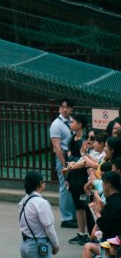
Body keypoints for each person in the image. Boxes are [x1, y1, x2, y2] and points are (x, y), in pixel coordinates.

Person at [71, 171, 121, 258]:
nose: (102, 186)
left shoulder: (111, 204)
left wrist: (97, 213)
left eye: (103, 183)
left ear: (108, 185)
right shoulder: (117, 200)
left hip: (110, 245)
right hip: (117, 243)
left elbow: (104, 226)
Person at [19, 170, 60, 258]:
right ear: (40, 184)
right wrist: (56, 245)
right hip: (38, 245)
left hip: (25, 245)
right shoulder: (41, 203)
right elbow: (49, 227)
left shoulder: (23, 201)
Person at [49, 97, 77, 227]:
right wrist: (64, 163)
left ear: (72, 109)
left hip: (72, 157)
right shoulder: (56, 124)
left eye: (67, 107)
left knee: (73, 186)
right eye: (62, 107)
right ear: (59, 108)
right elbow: (57, 147)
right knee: (65, 187)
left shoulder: (72, 122)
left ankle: (73, 215)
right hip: (63, 157)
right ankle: (66, 218)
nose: (65, 110)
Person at [64, 113, 90, 244]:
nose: (70, 124)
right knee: (78, 205)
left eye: (72, 122)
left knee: (85, 205)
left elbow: (84, 159)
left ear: (80, 124)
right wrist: (67, 176)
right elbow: (68, 158)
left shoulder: (86, 139)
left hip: (84, 175)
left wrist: (73, 160)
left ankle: (88, 234)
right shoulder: (71, 139)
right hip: (74, 175)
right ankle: (80, 232)